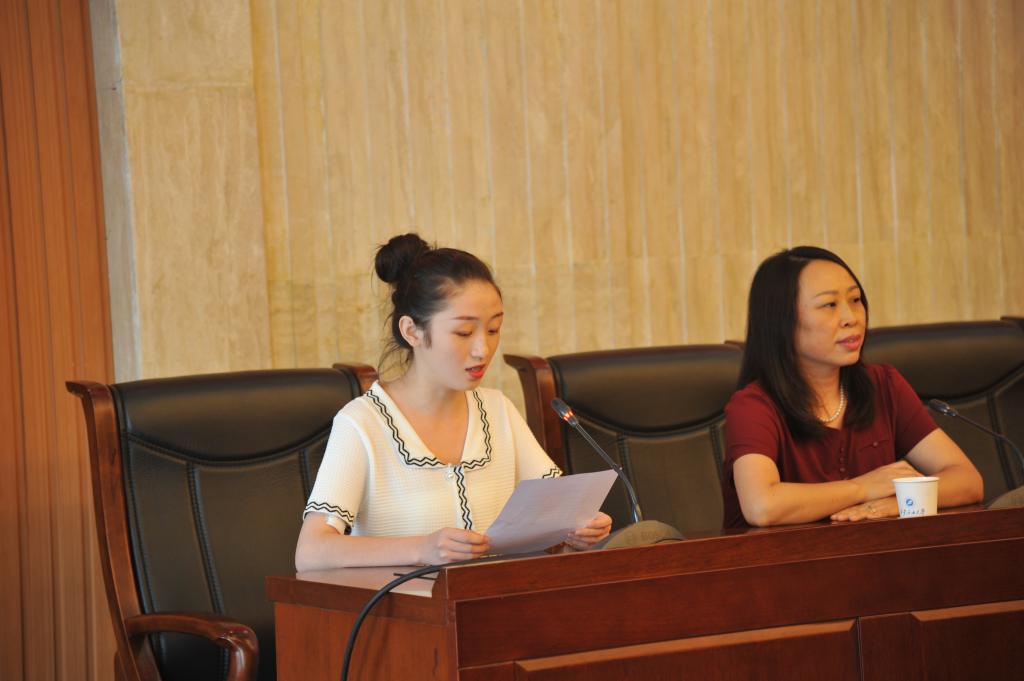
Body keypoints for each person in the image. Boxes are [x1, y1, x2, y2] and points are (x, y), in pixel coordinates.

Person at [295, 233, 612, 569]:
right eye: (464, 333)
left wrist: (581, 528)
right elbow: (312, 552)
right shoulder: (362, 423)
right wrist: (421, 548)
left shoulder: (498, 410)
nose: (483, 349)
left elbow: (559, 513)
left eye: (493, 330)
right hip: (411, 603)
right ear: (412, 331)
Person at [722, 246, 983, 528]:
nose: (852, 317)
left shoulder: (883, 385)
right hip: (783, 557)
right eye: (829, 305)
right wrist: (864, 488)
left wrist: (899, 503)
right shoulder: (754, 406)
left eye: (856, 300)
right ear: (781, 321)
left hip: (877, 553)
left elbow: (967, 480)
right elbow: (762, 506)